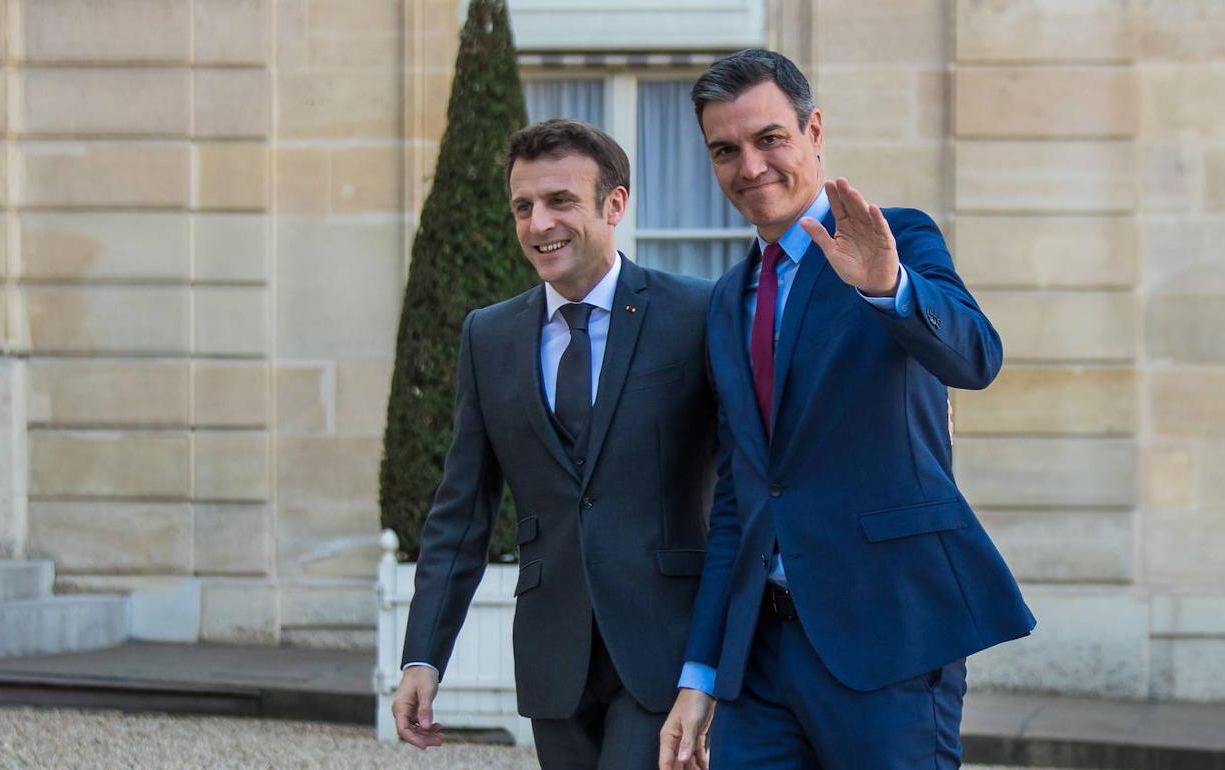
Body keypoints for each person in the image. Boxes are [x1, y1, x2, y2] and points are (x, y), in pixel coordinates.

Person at [658, 49, 1036, 770]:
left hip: (887, 638)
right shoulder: (726, 303)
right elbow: (739, 498)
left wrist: (888, 285)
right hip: (759, 661)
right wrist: (701, 672)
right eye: (725, 150)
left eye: (770, 138)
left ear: (813, 131)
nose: (751, 167)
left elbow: (976, 357)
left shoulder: (898, 237)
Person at [393, 119, 716, 770]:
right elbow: (462, 512)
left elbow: (744, 480)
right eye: (523, 207)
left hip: (664, 647)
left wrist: (718, 662)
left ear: (615, 204)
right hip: (552, 655)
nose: (539, 223)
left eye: (559, 201)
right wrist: (423, 655)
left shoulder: (695, 313)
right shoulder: (489, 336)